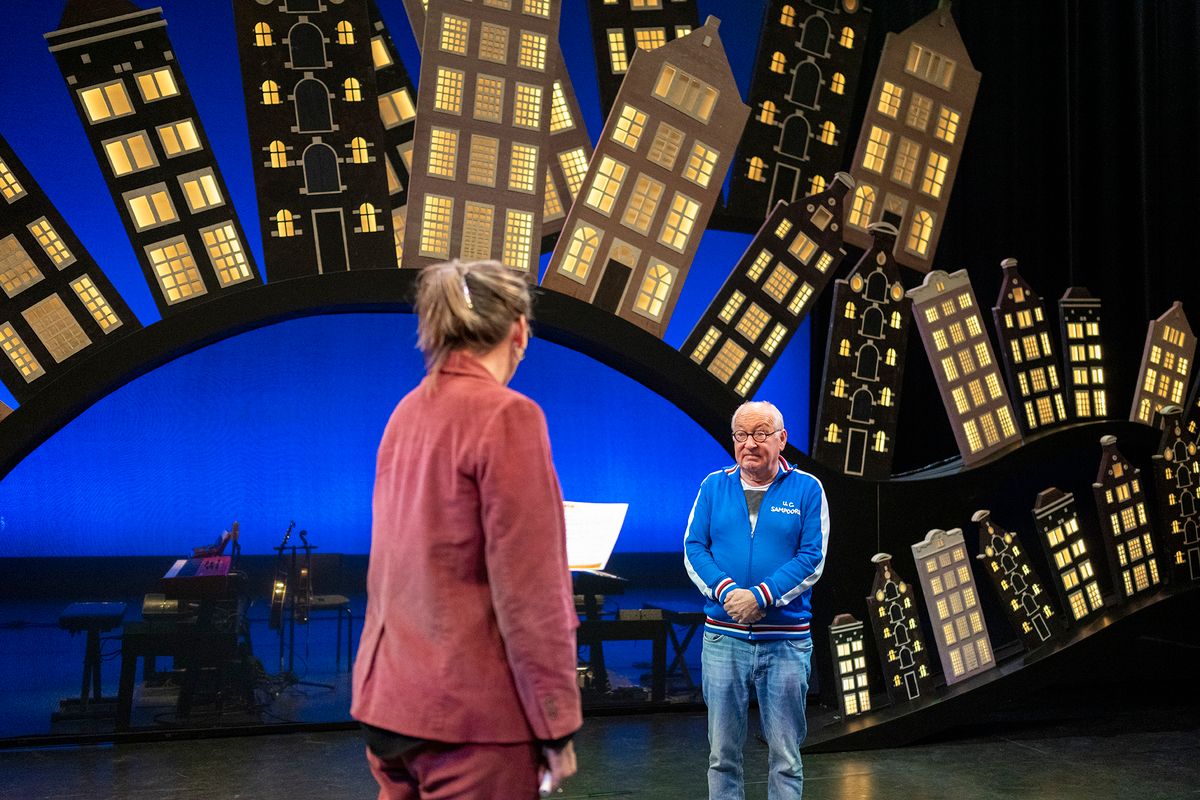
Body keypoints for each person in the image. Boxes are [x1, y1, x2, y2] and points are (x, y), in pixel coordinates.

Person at [352, 260, 581, 800]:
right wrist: (556, 722)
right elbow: (531, 592)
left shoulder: (405, 414)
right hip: (472, 721)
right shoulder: (508, 416)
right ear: (519, 330)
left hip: (390, 707)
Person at [683, 401, 829, 800]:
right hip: (723, 639)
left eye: (762, 433)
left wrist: (761, 596)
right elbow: (694, 548)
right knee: (722, 757)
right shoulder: (713, 486)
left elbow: (812, 557)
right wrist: (728, 592)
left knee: (786, 758)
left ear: (782, 439)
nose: (750, 443)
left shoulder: (807, 489)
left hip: (786, 643)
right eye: (742, 435)